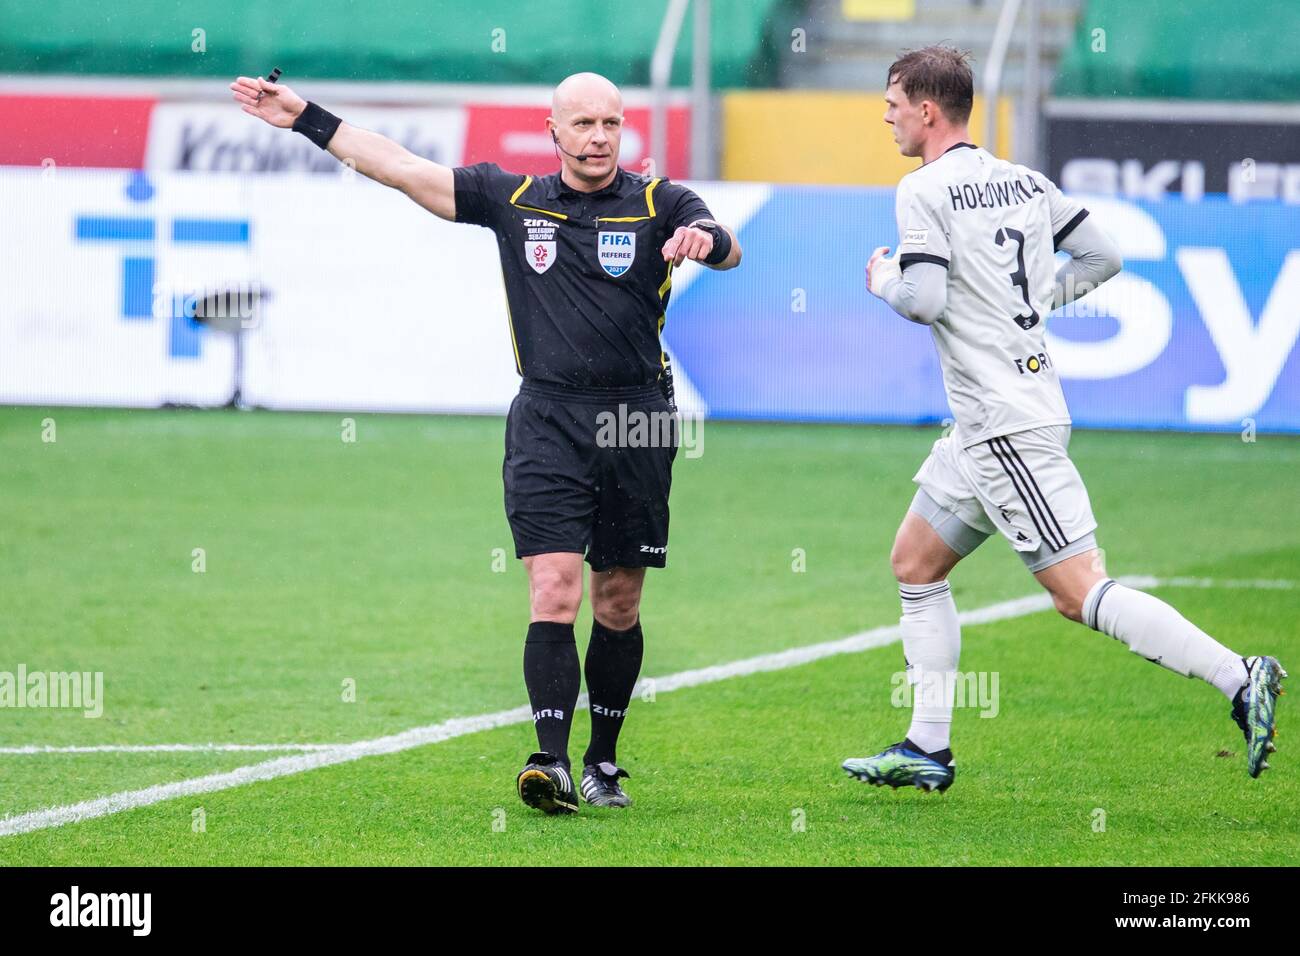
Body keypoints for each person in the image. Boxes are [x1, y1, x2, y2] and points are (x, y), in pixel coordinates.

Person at [229, 70, 741, 814]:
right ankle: (551, 761)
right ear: (553, 131)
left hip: (638, 420)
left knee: (619, 600)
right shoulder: (513, 200)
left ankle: (603, 760)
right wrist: (308, 117)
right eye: (584, 125)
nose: (599, 138)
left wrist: (707, 239)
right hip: (548, 420)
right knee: (554, 588)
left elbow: (728, 250)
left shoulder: (662, 203)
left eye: (611, 124)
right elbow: (401, 168)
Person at [845, 45, 1284, 792]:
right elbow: (1103, 256)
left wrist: (882, 275)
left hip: (1002, 423)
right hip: (992, 420)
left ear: (926, 109)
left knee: (1076, 591)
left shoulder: (921, 190)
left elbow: (923, 300)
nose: (885, 115)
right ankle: (927, 747)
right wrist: (1033, 304)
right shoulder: (1021, 178)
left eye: (892, 102)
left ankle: (1240, 676)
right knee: (915, 564)